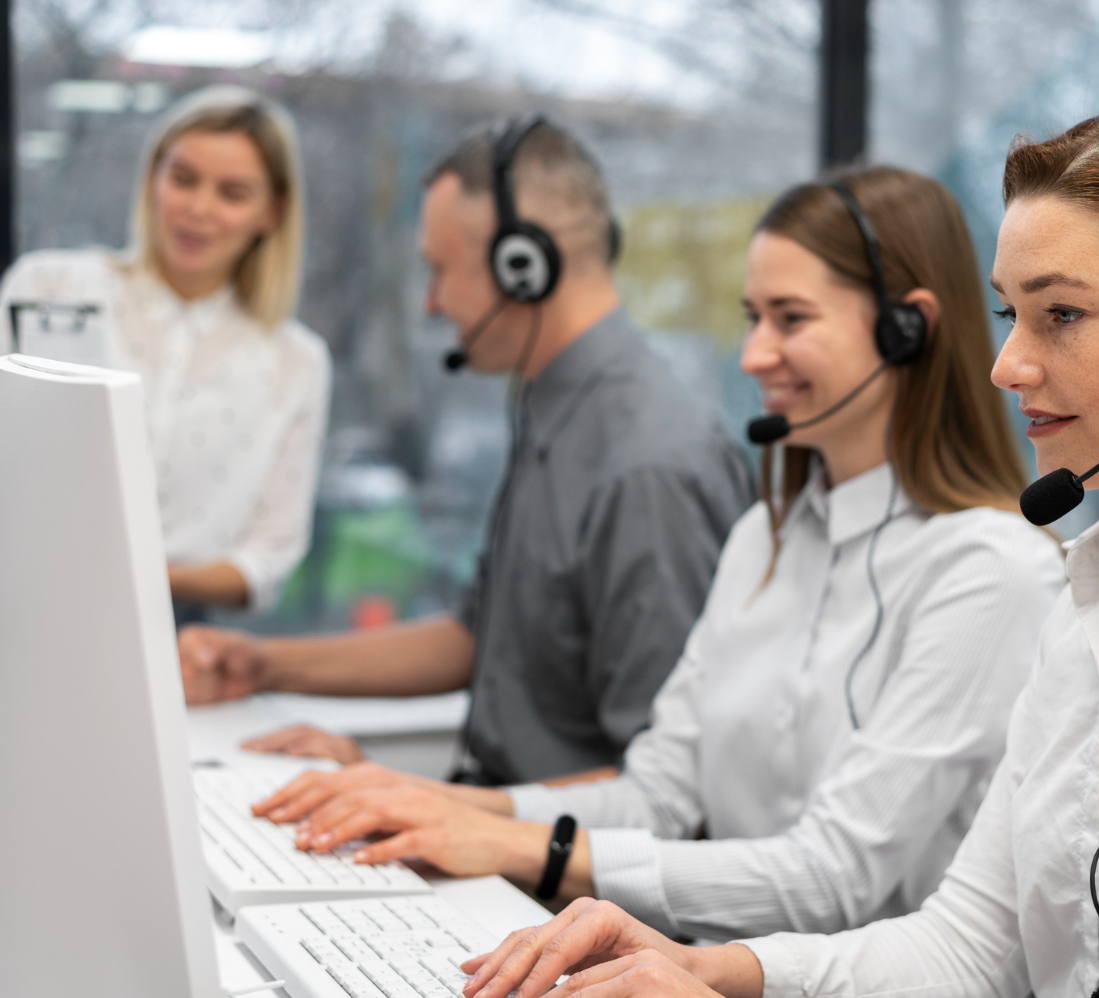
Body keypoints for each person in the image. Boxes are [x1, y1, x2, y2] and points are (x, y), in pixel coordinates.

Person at [452, 97, 1099, 998]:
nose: (1007, 364)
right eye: (1011, 314)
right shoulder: (1094, 592)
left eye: (1062, 315)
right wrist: (715, 971)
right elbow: (966, 944)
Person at [248, 166, 1065, 941]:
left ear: (906, 329)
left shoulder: (989, 570)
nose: (752, 355)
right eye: (752, 318)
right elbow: (659, 794)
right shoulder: (765, 540)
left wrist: (518, 846)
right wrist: (430, 806)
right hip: (696, 968)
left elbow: (833, 877)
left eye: (791, 318)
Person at [178, 117, 755, 785]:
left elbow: (666, 790)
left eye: (440, 270)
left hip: (565, 883)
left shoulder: (647, 464)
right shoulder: (554, 407)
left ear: (523, 269)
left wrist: (415, 801)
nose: (431, 303)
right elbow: (477, 639)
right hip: (502, 832)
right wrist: (265, 664)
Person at [0, 86, 329, 618]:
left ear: (272, 212)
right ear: (153, 179)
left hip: (175, 623)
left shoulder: (297, 361)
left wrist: (140, 580)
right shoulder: (49, 287)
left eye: (232, 192)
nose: (198, 209)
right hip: (16, 595)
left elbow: (271, 554)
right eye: (183, 179)